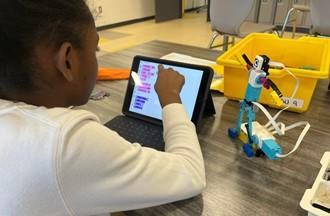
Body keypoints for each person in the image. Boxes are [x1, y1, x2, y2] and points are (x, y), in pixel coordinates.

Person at [0, 0, 206, 215]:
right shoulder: (66, 141)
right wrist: (170, 96)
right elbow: (190, 173)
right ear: (67, 61)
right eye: (95, 49)